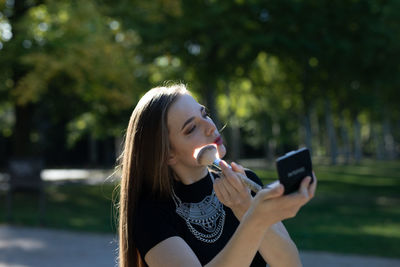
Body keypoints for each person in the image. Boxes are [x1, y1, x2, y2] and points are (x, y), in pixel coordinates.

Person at [117, 83, 317, 267]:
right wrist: (255, 218)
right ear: (167, 153)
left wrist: (245, 207)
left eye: (204, 114)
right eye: (191, 128)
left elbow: (291, 263)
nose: (210, 126)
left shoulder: (245, 183)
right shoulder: (151, 215)